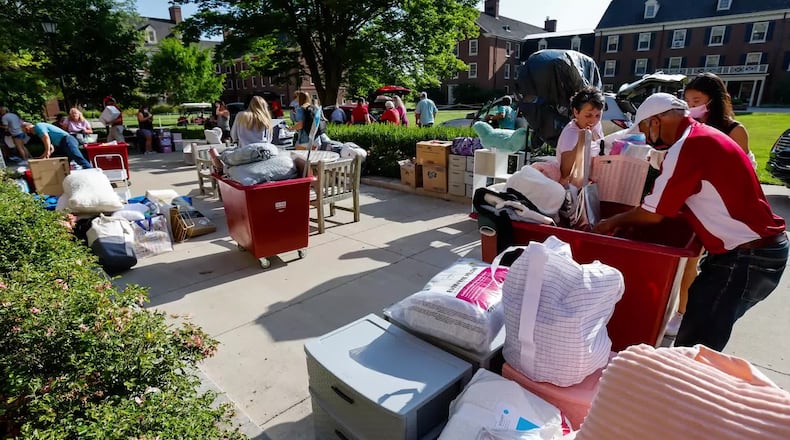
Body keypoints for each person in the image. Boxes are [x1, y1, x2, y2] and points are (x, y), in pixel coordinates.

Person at [593, 93, 787, 352]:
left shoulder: (688, 146)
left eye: (644, 130)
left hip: (748, 255)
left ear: (657, 121)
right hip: (755, 252)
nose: (647, 140)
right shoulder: (704, 135)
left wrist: (610, 223)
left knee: (697, 343)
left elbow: (654, 213)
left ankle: (682, 389)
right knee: (701, 322)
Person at [664, 73, 759, 337]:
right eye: (688, 101)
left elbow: (740, 176)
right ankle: (683, 311)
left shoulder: (734, 130)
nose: (692, 106)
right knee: (690, 261)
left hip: (724, 211)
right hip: (697, 205)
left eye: (697, 100)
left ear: (714, 100)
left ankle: (697, 316)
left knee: (713, 267)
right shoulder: (690, 127)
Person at [555, 86, 605, 182]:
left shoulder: (596, 125)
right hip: (572, 190)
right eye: (588, 115)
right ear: (576, 112)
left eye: (598, 115)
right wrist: (581, 143)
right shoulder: (570, 134)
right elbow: (565, 173)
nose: (593, 120)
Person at [21, 121, 92, 169]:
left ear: (27, 128)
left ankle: (92, 172)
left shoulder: (38, 126)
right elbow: (51, 147)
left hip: (67, 140)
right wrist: (43, 156)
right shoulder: (39, 131)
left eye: (25, 131)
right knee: (64, 163)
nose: (28, 134)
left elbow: (46, 138)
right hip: (62, 143)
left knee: (78, 158)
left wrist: (47, 151)